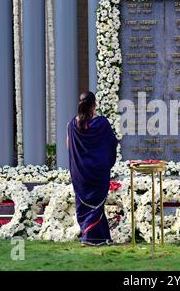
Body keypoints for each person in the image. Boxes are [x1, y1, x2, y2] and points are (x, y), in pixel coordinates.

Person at [67, 91, 118, 247]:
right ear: (94, 105)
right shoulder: (101, 123)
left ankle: (101, 237)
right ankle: (90, 237)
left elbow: (68, 145)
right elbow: (112, 143)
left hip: (80, 172)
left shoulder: (72, 124)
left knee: (85, 204)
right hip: (97, 171)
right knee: (96, 204)